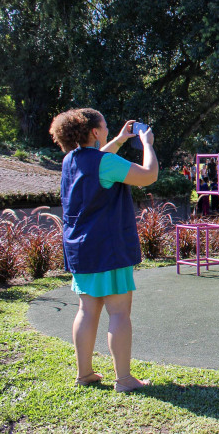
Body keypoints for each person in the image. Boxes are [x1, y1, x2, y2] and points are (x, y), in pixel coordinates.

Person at [49, 109, 158, 393]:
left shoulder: (70, 160)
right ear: (95, 132)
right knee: (119, 313)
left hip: (80, 250)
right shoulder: (105, 162)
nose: (109, 130)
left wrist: (121, 140)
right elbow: (148, 176)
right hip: (108, 249)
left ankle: (84, 373)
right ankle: (123, 379)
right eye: (106, 127)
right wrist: (147, 143)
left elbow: (96, 162)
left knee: (87, 310)